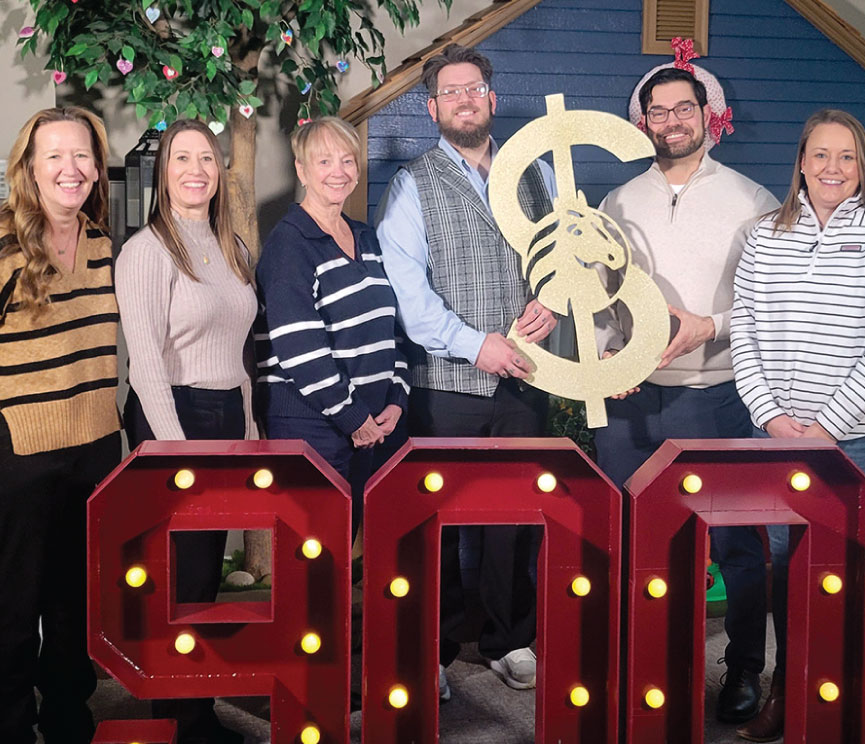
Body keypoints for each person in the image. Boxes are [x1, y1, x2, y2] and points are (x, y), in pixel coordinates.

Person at [729, 108, 865, 740]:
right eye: (820, 155)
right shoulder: (764, 233)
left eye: (845, 156)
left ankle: (847, 707)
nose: (831, 168)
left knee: (850, 574)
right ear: (801, 164)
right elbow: (746, 331)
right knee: (787, 570)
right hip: (777, 436)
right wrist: (771, 414)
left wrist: (829, 425)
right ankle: (790, 693)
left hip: (857, 440)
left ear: (862, 164)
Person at [594, 60, 778, 727]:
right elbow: (601, 297)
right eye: (659, 112)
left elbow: (767, 305)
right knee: (628, 536)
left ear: (708, 115)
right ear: (643, 123)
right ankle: (632, 660)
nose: (672, 122)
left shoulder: (754, 201)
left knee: (736, 541)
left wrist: (712, 326)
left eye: (684, 109)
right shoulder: (617, 203)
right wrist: (608, 353)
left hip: (718, 394)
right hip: (632, 402)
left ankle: (745, 670)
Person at [376, 43, 558, 698]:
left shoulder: (536, 172)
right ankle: (437, 650)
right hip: (444, 384)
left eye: (472, 88)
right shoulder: (413, 182)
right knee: (440, 523)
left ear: (491, 97)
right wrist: (470, 342)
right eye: (449, 91)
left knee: (515, 516)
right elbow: (406, 288)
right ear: (432, 108)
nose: (462, 99)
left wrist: (554, 301)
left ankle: (511, 639)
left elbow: (564, 256)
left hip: (524, 381)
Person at [0, 107, 120, 744]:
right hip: (19, 455)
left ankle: (69, 720)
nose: (71, 169)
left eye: (82, 156)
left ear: (97, 168)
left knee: (74, 605)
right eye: (54, 157)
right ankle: (10, 732)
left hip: (95, 449)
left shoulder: (102, 246)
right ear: (29, 168)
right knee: (16, 608)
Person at [115, 118, 255, 744]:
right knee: (177, 578)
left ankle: (194, 710)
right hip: (170, 416)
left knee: (203, 578)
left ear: (220, 172)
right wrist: (177, 457)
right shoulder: (146, 250)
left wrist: (248, 430)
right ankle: (174, 721)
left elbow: (239, 353)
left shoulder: (232, 248)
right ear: (162, 171)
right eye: (182, 158)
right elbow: (144, 364)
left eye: (207, 158)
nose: (196, 168)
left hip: (223, 417)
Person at [258, 116, 408, 524]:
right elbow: (299, 348)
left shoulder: (366, 238)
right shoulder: (290, 244)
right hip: (311, 423)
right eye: (324, 162)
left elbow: (391, 328)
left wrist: (396, 397)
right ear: (302, 170)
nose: (338, 172)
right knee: (314, 553)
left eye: (347, 161)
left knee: (344, 548)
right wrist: (352, 417)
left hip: (371, 421)